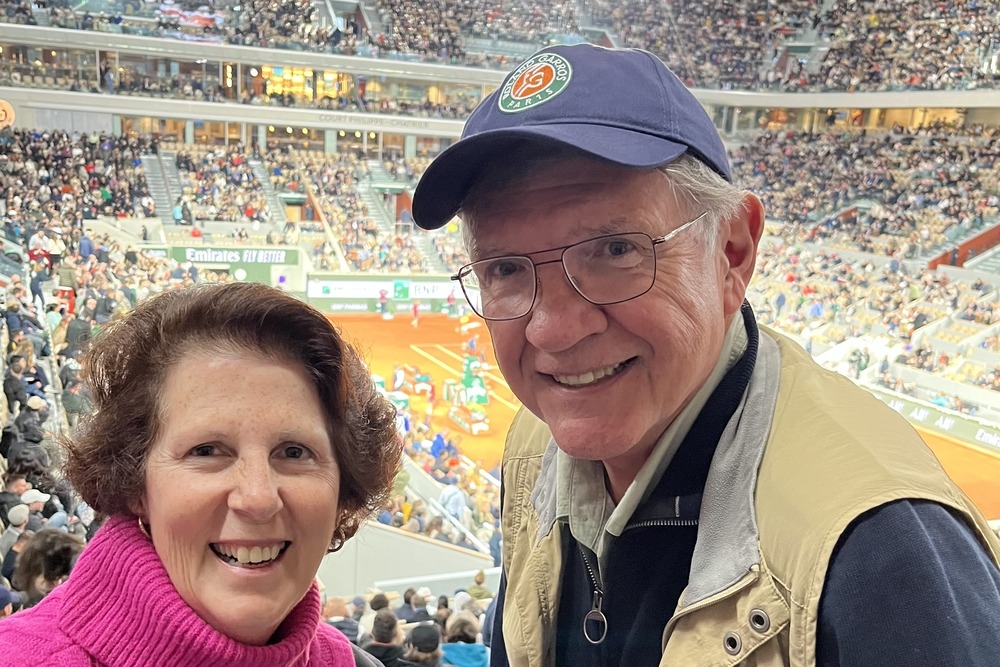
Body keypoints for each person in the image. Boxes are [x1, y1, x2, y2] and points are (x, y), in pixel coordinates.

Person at [410, 44, 1000, 666]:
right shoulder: (534, 445)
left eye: (614, 250)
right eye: (504, 267)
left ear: (733, 252)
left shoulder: (883, 557)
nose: (554, 329)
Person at [0, 283, 399, 666]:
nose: (257, 498)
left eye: (294, 452)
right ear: (135, 482)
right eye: (207, 451)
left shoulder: (350, 661)